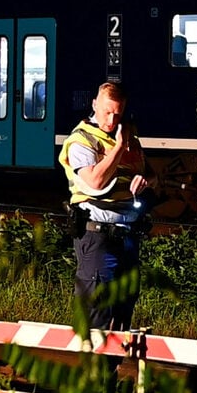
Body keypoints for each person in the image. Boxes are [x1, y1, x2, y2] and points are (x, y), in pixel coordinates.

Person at [58, 81, 150, 333]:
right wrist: (119, 147)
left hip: (127, 237)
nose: (112, 119)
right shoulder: (81, 140)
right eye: (107, 111)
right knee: (97, 315)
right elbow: (95, 181)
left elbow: (151, 175)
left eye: (118, 113)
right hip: (97, 237)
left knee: (122, 311)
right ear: (94, 105)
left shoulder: (131, 137)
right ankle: (93, 370)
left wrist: (143, 182)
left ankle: (110, 371)